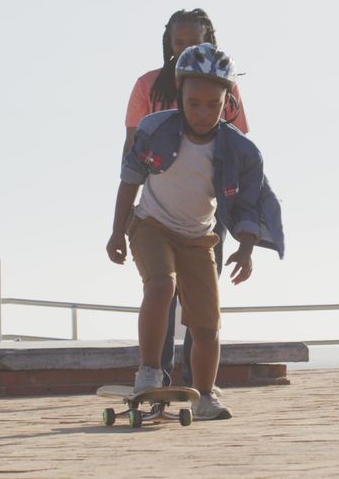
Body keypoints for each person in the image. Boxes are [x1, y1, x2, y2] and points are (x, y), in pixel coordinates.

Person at [106, 43, 284, 420]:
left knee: (207, 322)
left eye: (213, 105)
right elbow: (129, 180)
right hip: (151, 224)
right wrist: (117, 231)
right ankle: (150, 370)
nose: (203, 113)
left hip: (199, 236)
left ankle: (206, 395)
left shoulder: (241, 150)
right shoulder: (155, 128)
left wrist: (246, 248)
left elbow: (250, 203)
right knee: (161, 286)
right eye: (194, 103)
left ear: (228, 103)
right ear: (180, 95)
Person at [124, 8, 250, 387]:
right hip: (160, 207)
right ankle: (155, 372)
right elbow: (131, 146)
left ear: (208, 42)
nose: (183, 50)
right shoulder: (148, 86)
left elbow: (237, 145)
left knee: (201, 303)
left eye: (193, 43)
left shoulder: (225, 90)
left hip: (207, 209)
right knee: (161, 288)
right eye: (178, 43)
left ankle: (199, 383)